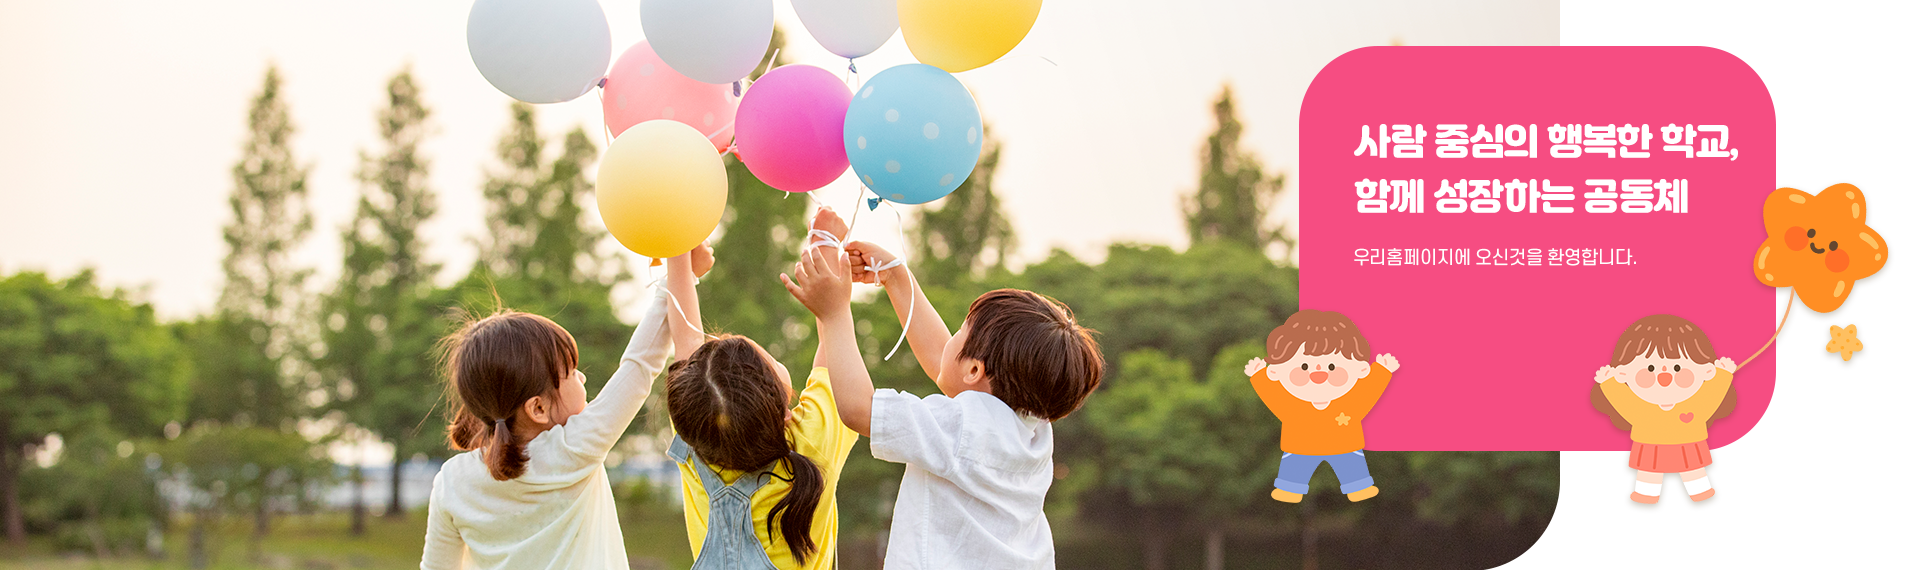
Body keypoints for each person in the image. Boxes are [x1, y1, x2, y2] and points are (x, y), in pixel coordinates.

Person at [785, 238, 1103, 569]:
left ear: (975, 369)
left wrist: (834, 312)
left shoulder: (963, 427)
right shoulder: (1032, 430)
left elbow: (858, 408)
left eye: (961, 331)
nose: (950, 338)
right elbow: (947, 365)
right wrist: (896, 278)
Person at [419, 247, 710, 570]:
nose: (582, 376)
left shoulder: (452, 481)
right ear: (538, 408)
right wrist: (682, 272)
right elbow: (640, 365)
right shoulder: (574, 449)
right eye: (571, 372)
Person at [658, 210, 860, 570]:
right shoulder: (811, 443)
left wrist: (682, 255)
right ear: (784, 408)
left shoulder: (696, 431)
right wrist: (824, 244)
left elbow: (685, 335)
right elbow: (835, 341)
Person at [1244, 310, 1400, 503]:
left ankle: (1357, 485)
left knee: (1351, 465)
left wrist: (1381, 371)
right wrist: (1260, 376)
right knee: (1295, 468)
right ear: (1277, 371)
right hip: (1302, 446)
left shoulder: (1350, 402)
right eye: (1304, 367)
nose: (1318, 374)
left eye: (1332, 366)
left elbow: (1368, 392)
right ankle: (1290, 487)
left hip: (1342, 444)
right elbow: (1273, 396)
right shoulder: (1292, 405)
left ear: (1359, 368)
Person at [1592, 314, 1737, 513]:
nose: (1664, 377)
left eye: (1678, 367)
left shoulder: (1695, 406)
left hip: (1685, 444)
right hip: (1654, 446)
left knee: (1693, 472)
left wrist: (1722, 375)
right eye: (1650, 368)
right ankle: (1647, 496)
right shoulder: (1642, 411)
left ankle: (1700, 492)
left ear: (1705, 371)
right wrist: (1609, 384)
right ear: (1624, 373)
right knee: (1649, 475)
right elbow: (1623, 402)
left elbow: (1712, 397)